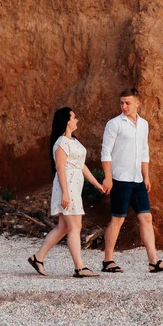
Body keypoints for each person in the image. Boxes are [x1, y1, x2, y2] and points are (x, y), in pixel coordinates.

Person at [100, 88, 163, 273]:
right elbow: (105, 152)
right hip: (120, 178)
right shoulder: (114, 124)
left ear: (137, 103)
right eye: (121, 103)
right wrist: (108, 177)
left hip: (137, 179)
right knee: (117, 219)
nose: (124, 106)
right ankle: (107, 261)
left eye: (127, 103)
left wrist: (146, 176)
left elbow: (144, 151)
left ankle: (153, 261)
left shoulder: (144, 124)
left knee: (146, 217)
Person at [28, 107, 105, 278]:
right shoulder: (61, 142)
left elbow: (81, 165)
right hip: (67, 186)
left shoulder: (74, 141)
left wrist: (96, 184)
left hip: (74, 187)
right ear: (66, 121)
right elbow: (60, 168)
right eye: (74, 117)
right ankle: (80, 267)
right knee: (74, 227)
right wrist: (65, 193)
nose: (76, 120)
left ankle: (37, 258)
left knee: (63, 227)